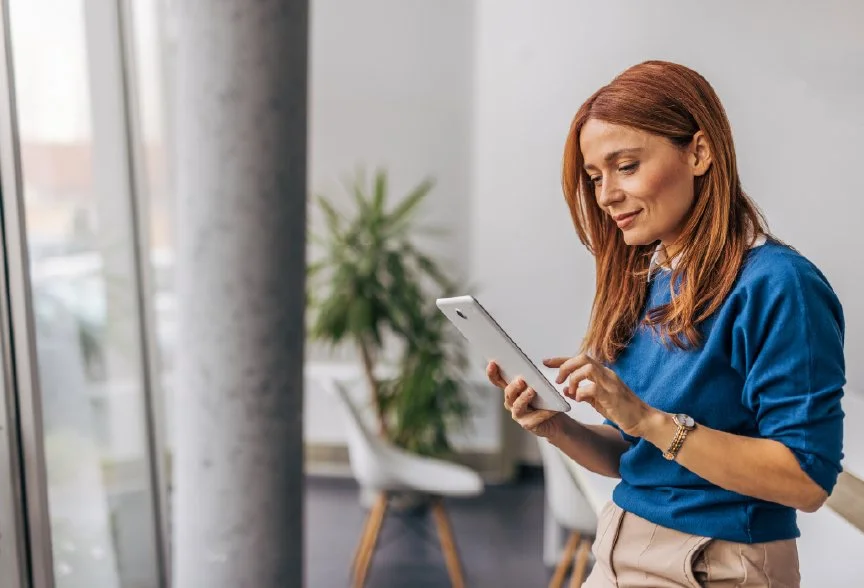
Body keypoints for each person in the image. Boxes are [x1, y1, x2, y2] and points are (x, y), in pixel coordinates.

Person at [486, 60, 845, 587]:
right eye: (595, 177)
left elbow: (806, 479)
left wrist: (650, 421)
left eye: (626, 166)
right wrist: (560, 429)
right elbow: (636, 453)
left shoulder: (780, 285)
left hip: (713, 563)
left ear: (699, 153)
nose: (605, 195)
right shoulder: (648, 281)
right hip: (620, 545)